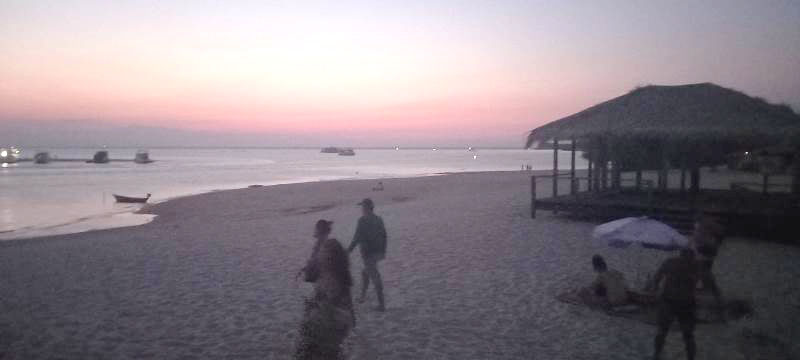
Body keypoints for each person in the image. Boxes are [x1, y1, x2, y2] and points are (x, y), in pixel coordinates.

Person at [295, 220, 355, 360]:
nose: (319, 257)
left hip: (325, 336)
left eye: (322, 255)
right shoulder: (339, 279)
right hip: (325, 335)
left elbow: (339, 311)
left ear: (330, 260)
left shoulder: (335, 282)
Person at [648, 249, 722, 360]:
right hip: (671, 303)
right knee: (665, 332)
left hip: (683, 304)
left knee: (683, 334)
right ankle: (657, 355)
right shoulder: (675, 263)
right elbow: (657, 276)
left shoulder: (695, 266)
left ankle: (659, 355)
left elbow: (712, 286)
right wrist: (654, 288)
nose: (685, 262)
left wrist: (718, 300)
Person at [347, 198, 388, 311]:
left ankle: (381, 305)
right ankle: (363, 297)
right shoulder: (378, 219)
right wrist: (383, 251)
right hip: (377, 252)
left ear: (367, 208)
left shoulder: (362, 220)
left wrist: (348, 251)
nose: (362, 209)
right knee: (365, 273)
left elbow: (356, 237)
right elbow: (384, 235)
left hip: (368, 253)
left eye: (363, 207)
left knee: (375, 277)